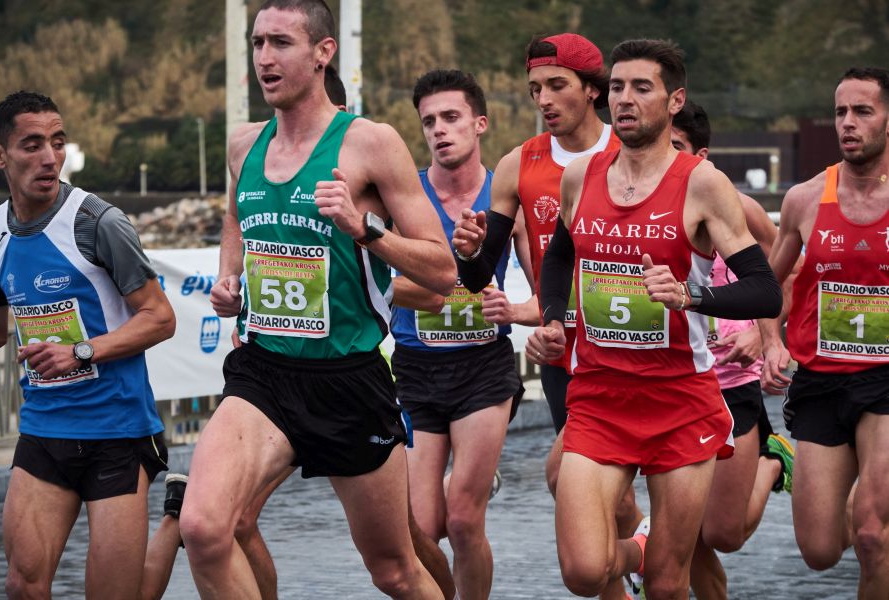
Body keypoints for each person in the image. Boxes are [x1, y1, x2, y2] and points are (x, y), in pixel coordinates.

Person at [178, 1, 456, 598]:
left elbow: (441, 270)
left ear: (323, 53)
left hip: (348, 379)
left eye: (281, 42)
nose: (264, 58)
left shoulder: (370, 145)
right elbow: (236, 216)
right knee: (202, 528)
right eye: (257, 43)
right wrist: (230, 276)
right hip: (264, 372)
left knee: (395, 571)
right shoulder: (242, 145)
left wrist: (365, 229)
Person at [525, 39, 782, 597]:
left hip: (679, 400)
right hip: (598, 396)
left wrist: (689, 299)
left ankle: (658, 552)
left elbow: (765, 292)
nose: (625, 99)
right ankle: (642, 545)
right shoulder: (582, 177)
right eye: (617, 86)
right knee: (584, 573)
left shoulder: (702, 184)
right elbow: (561, 254)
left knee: (667, 586)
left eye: (642, 88)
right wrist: (552, 319)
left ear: (673, 101)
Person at [452, 33, 641, 600]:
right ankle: (645, 570)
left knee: (567, 477)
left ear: (592, 89)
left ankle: (659, 553)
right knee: (603, 495)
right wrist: (468, 252)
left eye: (557, 86)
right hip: (564, 353)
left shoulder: (630, 150)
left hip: (636, 348)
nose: (544, 100)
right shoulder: (519, 164)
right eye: (535, 88)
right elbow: (481, 273)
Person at [0, 90, 176, 598]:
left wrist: (81, 351)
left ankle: (173, 524)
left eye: (57, 142)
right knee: (23, 585)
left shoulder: (99, 223)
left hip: (116, 432)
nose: (50, 157)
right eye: (32, 145)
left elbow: (160, 318)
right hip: (45, 429)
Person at [391, 69, 527, 600]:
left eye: (450, 118)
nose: (439, 130)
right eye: (428, 122)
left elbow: (545, 293)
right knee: (422, 528)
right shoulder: (405, 197)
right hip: (415, 367)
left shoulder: (505, 197)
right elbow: (375, 281)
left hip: (482, 368)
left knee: (464, 521)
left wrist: (515, 310)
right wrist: (438, 287)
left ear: (479, 123)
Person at [760, 66, 889, 598]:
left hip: (885, 380)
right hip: (820, 378)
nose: (848, 123)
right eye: (840, 112)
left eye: (862, 111)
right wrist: (770, 340)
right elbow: (767, 284)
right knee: (819, 550)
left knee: (870, 535)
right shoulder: (806, 200)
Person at [670, 100, 797, 600]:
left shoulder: (735, 207)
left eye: (677, 148)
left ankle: (772, 461)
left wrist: (765, 336)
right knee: (690, 538)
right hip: (676, 384)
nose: (668, 158)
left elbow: (788, 272)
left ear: (702, 155)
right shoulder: (646, 207)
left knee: (722, 532)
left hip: (733, 384)